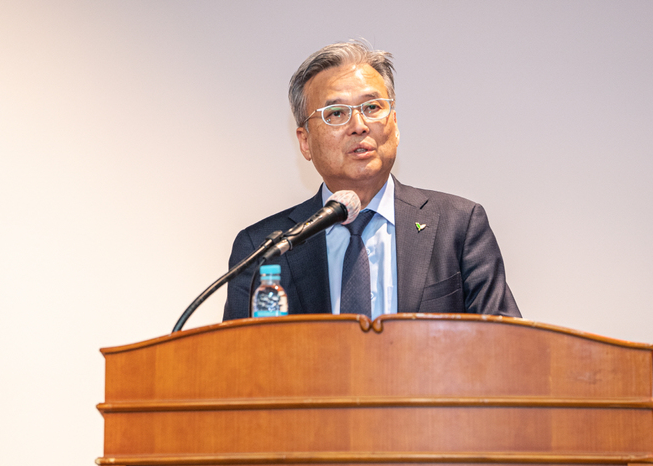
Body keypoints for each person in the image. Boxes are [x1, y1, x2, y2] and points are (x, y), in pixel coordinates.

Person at [223, 41, 520, 321]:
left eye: (372, 107)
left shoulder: (459, 226)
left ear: (395, 124)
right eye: (336, 113)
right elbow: (238, 363)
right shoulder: (262, 249)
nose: (359, 126)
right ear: (305, 142)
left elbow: (505, 348)